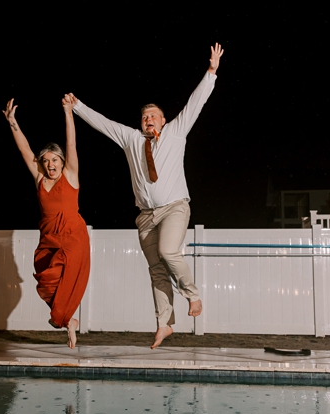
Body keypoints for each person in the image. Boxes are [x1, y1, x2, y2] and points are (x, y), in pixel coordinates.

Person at [67, 43, 223, 349]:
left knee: (168, 252)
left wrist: (211, 71)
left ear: (163, 120)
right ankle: (165, 323)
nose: (148, 119)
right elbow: (104, 124)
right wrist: (77, 106)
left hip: (175, 208)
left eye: (153, 116)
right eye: (144, 117)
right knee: (156, 270)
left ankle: (192, 294)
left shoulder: (177, 132)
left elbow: (196, 103)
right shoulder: (131, 139)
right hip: (146, 216)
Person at [3, 94, 90, 349]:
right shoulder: (39, 179)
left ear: (62, 162)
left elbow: (71, 144)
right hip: (49, 236)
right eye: (46, 161)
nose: (50, 164)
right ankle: (68, 320)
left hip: (73, 234)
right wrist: (12, 121)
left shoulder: (71, 175)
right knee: (45, 280)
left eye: (54, 160)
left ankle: (64, 319)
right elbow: (24, 149)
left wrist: (67, 112)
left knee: (66, 278)